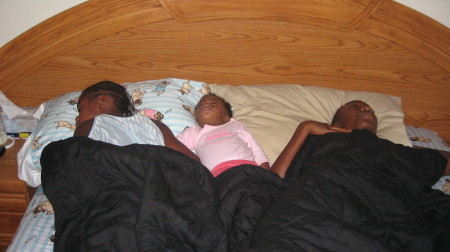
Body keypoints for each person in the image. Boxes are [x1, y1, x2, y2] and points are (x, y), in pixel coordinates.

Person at [251, 100, 450, 251]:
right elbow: (274, 181)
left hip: (393, 216)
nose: (366, 110)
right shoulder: (320, 139)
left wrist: (410, 146)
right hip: (320, 208)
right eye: (356, 106)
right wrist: (304, 128)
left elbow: (439, 161)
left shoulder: (396, 150)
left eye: (370, 110)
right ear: (336, 120)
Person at [74, 80, 199, 161]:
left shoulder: (88, 126)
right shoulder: (153, 124)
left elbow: (76, 159)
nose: (77, 118)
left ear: (101, 101)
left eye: (80, 109)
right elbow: (189, 160)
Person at [176, 94, 270, 176]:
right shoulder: (194, 132)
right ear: (196, 117)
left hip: (248, 168)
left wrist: (268, 174)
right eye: (201, 106)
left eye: (213, 103)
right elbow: (174, 146)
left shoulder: (236, 125)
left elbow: (256, 150)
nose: (206, 105)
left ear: (226, 116)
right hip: (219, 176)